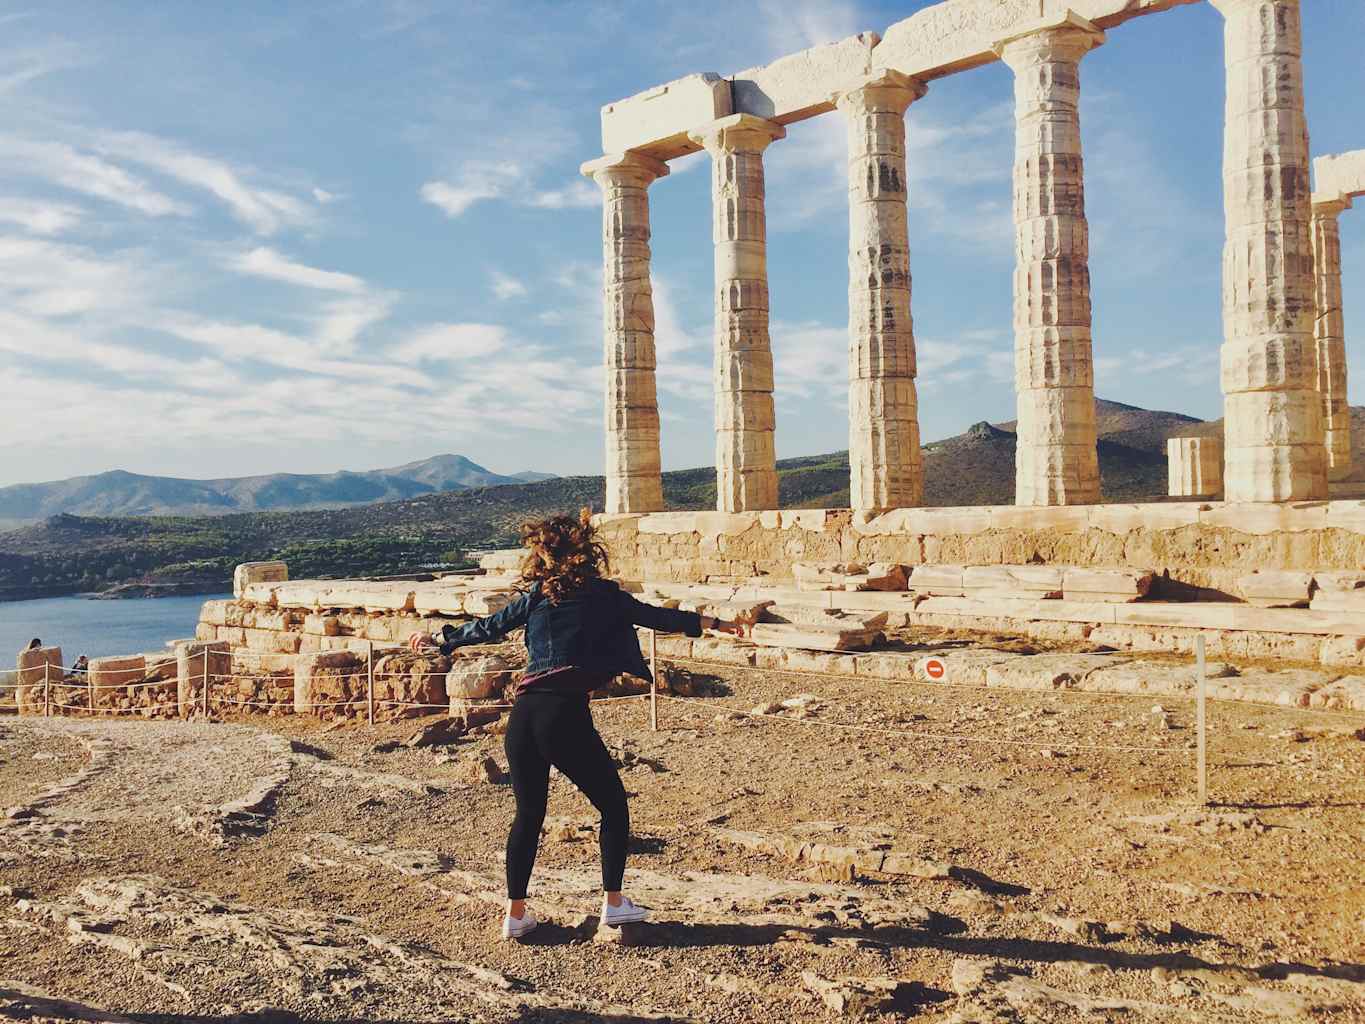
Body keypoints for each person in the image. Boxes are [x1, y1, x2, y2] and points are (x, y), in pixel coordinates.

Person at [409, 509, 746, 940]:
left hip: (523, 715)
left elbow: (489, 627)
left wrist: (438, 638)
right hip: (563, 713)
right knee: (613, 805)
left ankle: (515, 914)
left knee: (528, 815)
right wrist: (717, 623)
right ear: (587, 553)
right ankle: (614, 903)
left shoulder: (537, 595)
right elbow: (659, 617)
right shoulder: (604, 595)